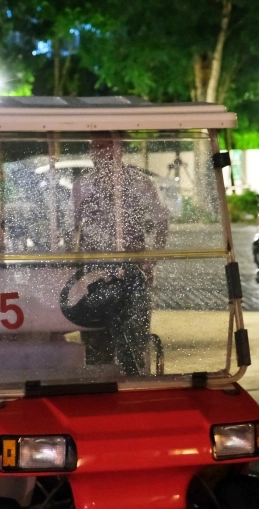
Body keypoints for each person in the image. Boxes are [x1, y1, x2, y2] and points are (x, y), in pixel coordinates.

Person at [65, 133, 170, 376]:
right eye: (94, 147)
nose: (98, 153)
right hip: (93, 275)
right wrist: (71, 263)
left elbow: (162, 221)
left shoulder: (141, 183)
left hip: (132, 273)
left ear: (119, 149)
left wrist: (151, 259)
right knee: (95, 342)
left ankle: (135, 382)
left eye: (104, 147)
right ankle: (100, 384)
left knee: (134, 340)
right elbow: (72, 229)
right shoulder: (82, 185)